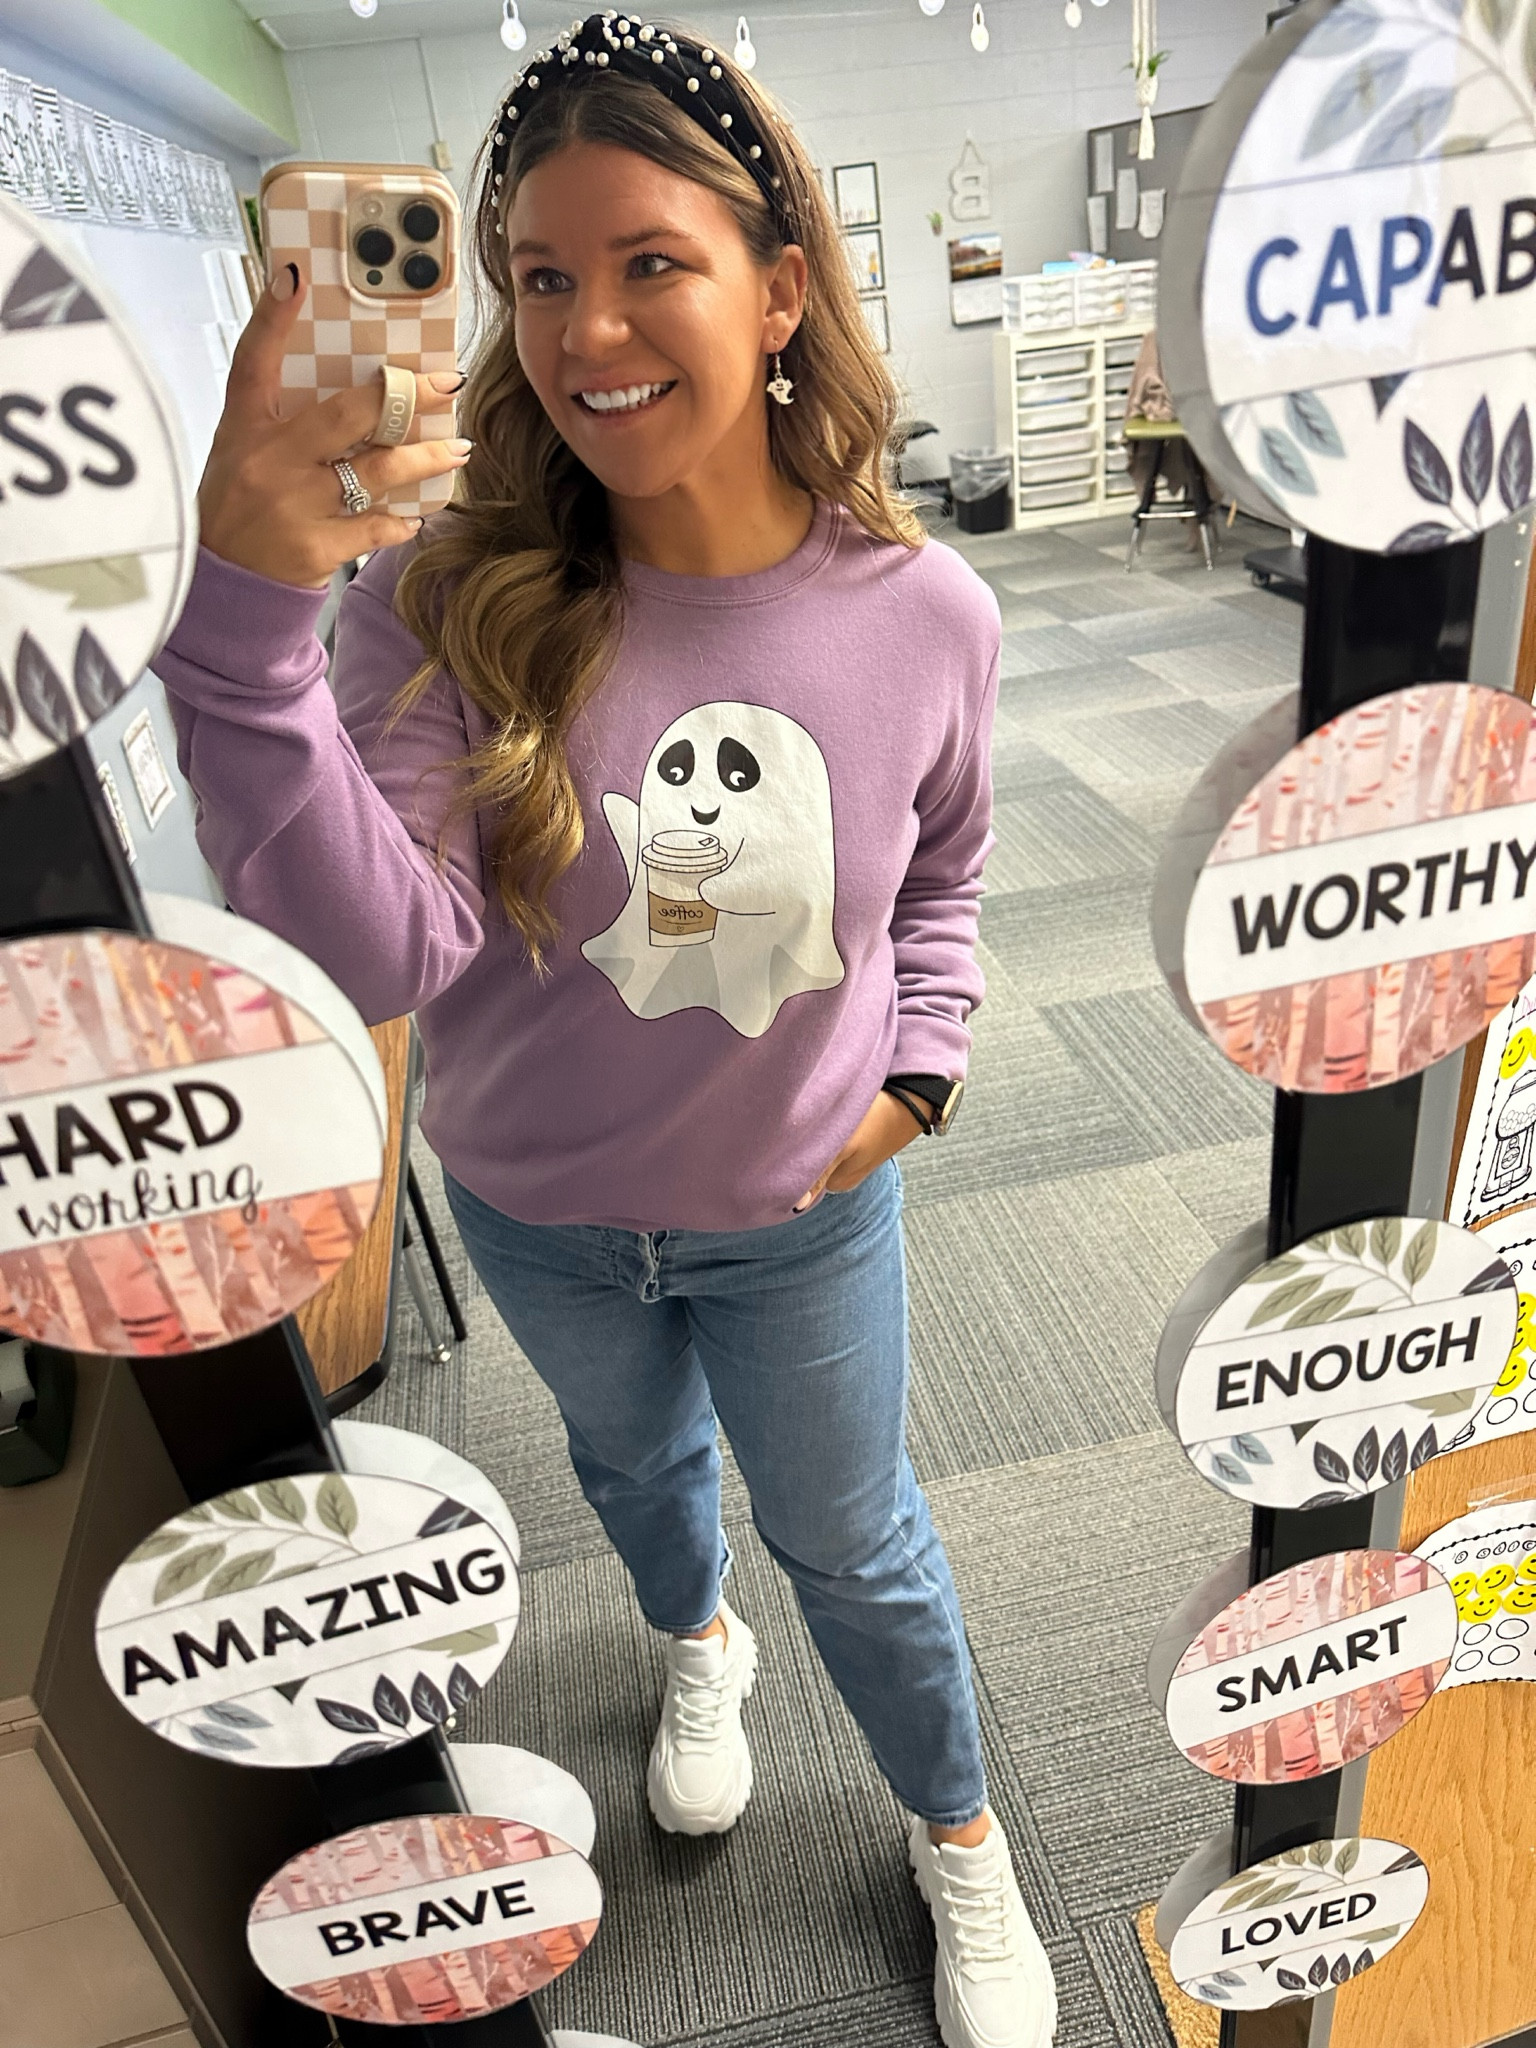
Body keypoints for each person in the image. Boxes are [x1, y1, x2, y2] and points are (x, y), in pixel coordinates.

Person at [159, 16, 1054, 2047]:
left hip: (802, 1209)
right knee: (639, 1474)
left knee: (865, 1544)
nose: (588, 328)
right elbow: (376, 942)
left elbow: (946, 878)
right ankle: (691, 1637)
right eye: (539, 278)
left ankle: (965, 1832)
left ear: (782, 283)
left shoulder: (927, 616)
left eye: (650, 259)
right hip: (548, 1209)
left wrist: (924, 1060)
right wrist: (247, 621)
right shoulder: (449, 595)